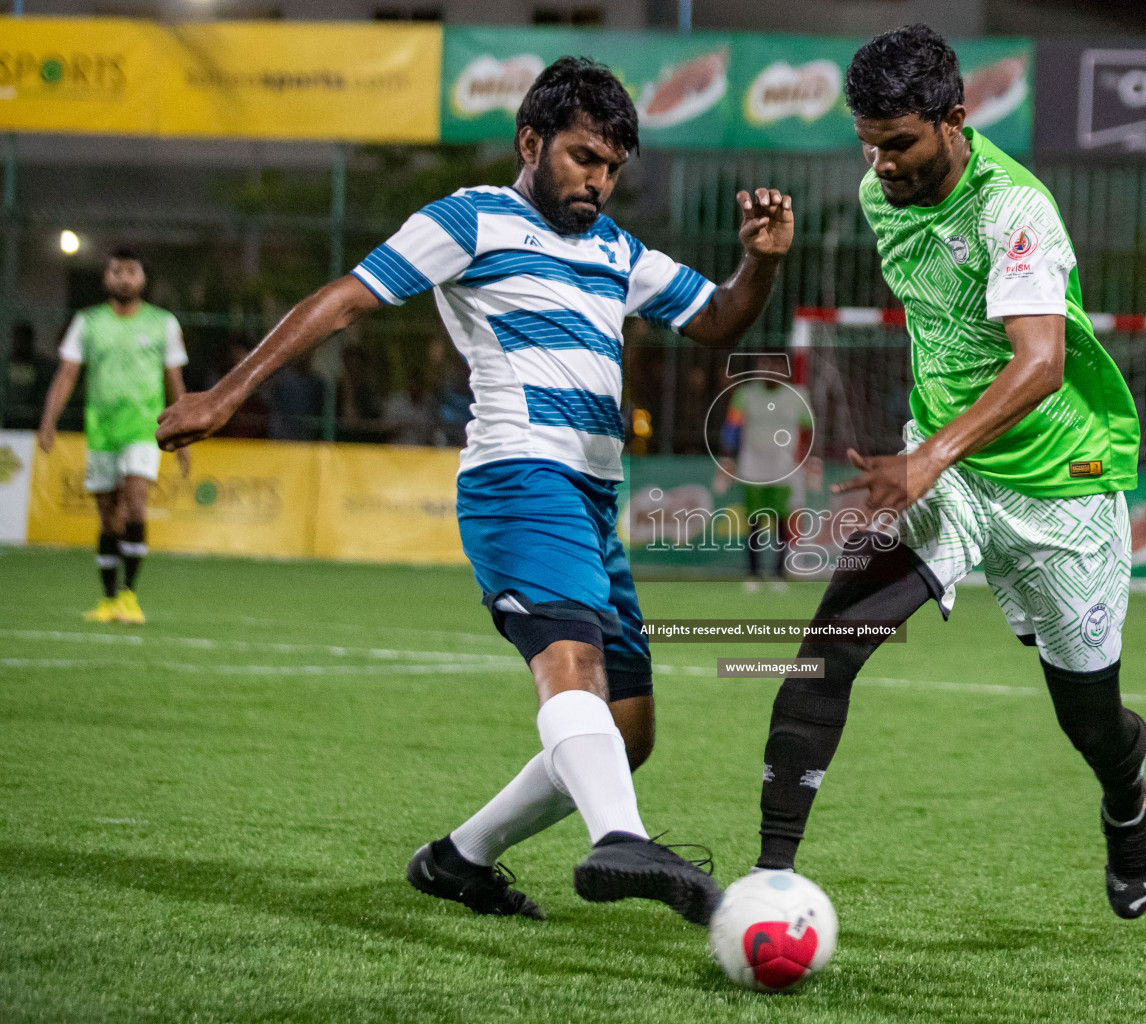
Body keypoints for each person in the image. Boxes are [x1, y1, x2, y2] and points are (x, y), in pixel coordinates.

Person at [157, 58, 793, 925]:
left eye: (610, 167)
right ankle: (621, 840)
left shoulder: (618, 249)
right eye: (580, 157)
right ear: (530, 142)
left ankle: (458, 859)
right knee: (570, 668)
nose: (597, 181)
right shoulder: (471, 219)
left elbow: (717, 319)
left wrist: (758, 264)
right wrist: (227, 394)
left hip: (593, 502)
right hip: (518, 479)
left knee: (628, 732)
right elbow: (346, 300)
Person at [751, 25, 1146, 920]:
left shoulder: (1013, 209)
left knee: (1090, 723)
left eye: (899, 143)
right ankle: (767, 882)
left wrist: (926, 456)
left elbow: (1041, 363)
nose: (881, 164)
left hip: (1064, 489)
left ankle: (1126, 803)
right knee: (828, 653)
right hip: (948, 475)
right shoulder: (878, 193)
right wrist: (932, 458)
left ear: (955, 119)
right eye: (868, 142)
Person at [37, 246, 190, 625]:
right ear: (106, 277)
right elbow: (68, 374)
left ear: (143, 277)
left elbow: (175, 382)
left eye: (131, 271)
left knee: (136, 503)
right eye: (116, 271)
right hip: (102, 430)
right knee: (107, 515)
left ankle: (130, 596)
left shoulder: (163, 323)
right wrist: (48, 420)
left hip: (143, 429)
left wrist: (184, 432)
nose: (124, 277)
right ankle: (107, 599)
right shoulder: (87, 322)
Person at [715, 353, 813, 592]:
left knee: (781, 522)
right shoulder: (745, 394)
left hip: (783, 468)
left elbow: (808, 428)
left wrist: (805, 459)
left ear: (784, 370)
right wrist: (728, 458)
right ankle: (753, 574)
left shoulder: (798, 396)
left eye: (775, 366)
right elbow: (732, 427)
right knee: (755, 522)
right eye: (764, 366)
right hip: (752, 466)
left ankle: (779, 573)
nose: (768, 371)